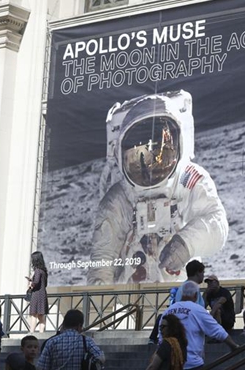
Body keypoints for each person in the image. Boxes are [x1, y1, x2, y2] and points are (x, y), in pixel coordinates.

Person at [87, 90, 229, 285]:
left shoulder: (188, 177)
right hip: (129, 296)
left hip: (177, 292)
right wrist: (99, 299)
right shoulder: (120, 196)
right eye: (139, 156)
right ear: (122, 155)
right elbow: (104, 256)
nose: (151, 165)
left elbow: (216, 221)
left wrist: (186, 244)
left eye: (161, 151)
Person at [161, 281, 238, 370]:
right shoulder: (198, 310)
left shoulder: (167, 311)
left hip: (171, 363)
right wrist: (233, 346)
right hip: (192, 363)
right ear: (196, 295)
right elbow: (217, 330)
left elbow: (161, 337)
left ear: (181, 293)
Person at [37, 310, 105, 370]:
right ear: (79, 325)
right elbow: (100, 357)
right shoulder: (86, 341)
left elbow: (42, 366)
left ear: (64, 324)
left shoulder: (52, 342)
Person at [26, 251, 48, 333]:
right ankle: (41, 333)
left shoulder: (37, 270)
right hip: (43, 294)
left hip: (37, 294)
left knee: (34, 315)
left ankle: (31, 332)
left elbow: (36, 282)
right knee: (41, 316)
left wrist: (31, 283)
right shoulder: (44, 271)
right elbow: (44, 284)